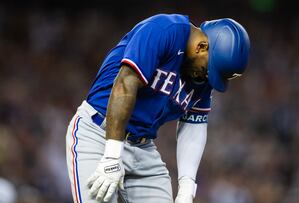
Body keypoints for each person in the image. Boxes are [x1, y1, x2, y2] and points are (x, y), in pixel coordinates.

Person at [65, 13, 250, 203]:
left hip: (142, 148)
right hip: (99, 134)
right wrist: (112, 156)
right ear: (201, 47)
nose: (207, 79)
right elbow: (125, 83)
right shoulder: (164, 30)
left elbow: (195, 122)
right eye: (207, 71)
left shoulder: (204, 69)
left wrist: (187, 186)